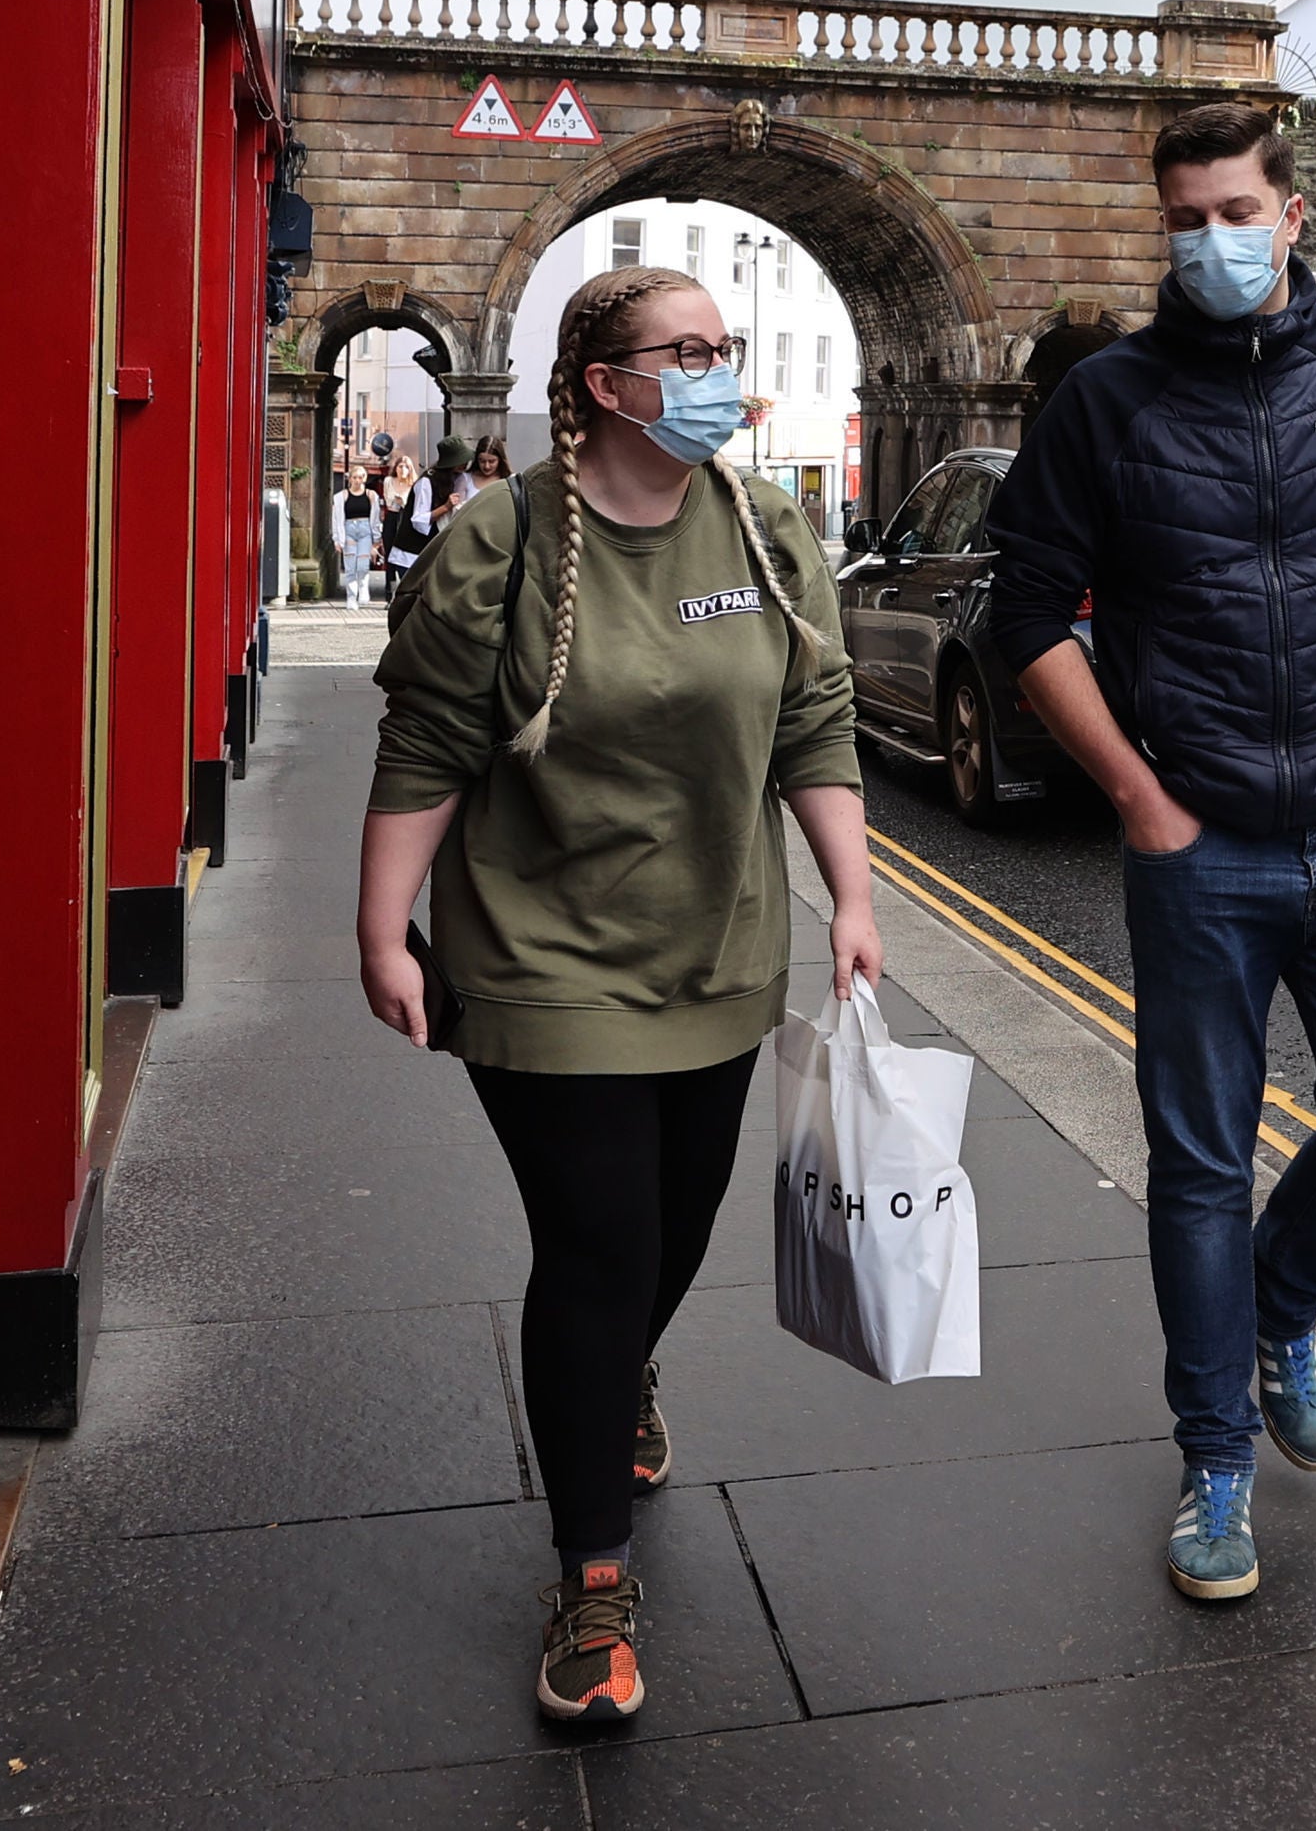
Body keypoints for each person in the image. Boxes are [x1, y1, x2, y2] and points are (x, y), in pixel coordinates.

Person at [980, 101, 1316, 1604]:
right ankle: (1214, 1463)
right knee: (1199, 1163)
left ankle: (1285, 1299)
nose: (1210, 238)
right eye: (1183, 217)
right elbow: (1027, 614)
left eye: (1233, 210)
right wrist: (1140, 797)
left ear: (1294, 212)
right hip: (1199, 848)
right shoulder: (1106, 400)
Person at [355, 264, 880, 1724]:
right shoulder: (501, 538)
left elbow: (816, 715)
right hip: (538, 952)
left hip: (717, 949)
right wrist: (381, 926)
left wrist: (852, 892)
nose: (721, 372)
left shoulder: (768, 527)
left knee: (673, 1233)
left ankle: (617, 1377)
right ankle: (591, 1579)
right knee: (597, 1246)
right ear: (605, 384)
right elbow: (429, 743)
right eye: (690, 350)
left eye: (725, 348)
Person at [385, 437, 471, 581]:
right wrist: (446, 507)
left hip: (431, 555)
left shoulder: (458, 478)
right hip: (412, 555)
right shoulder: (427, 482)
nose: (465, 464)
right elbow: (419, 520)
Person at [333, 469, 384, 607]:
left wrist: (377, 539)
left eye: (360, 477)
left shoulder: (371, 495)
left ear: (365, 479)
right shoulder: (341, 496)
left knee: (362, 565)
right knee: (350, 567)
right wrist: (337, 539)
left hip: (365, 530)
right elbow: (336, 519)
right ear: (350, 479)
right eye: (354, 477)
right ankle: (351, 597)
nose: (357, 480)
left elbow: (377, 518)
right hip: (348, 530)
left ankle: (363, 588)